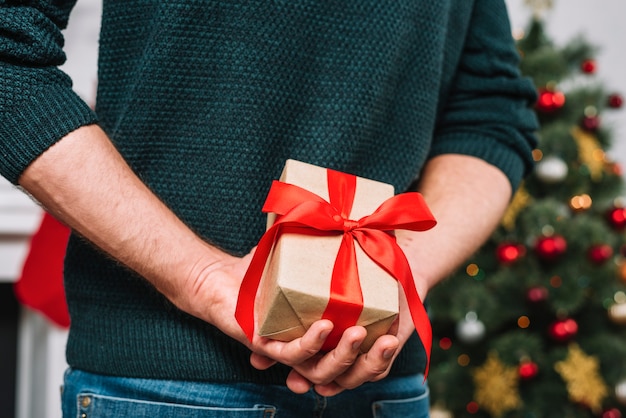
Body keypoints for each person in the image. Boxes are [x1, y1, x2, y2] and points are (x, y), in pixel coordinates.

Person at [0, 0, 538, 416]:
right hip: (164, 386)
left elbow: (490, 110)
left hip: (384, 387)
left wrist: (402, 273)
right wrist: (202, 275)